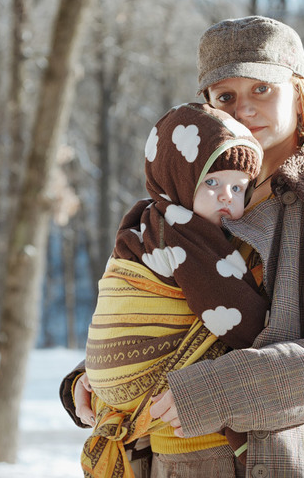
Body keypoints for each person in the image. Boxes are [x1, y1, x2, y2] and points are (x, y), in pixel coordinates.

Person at [63, 15, 304, 478]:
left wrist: (213, 393)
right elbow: (171, 313)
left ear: (297, 92)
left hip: (278, 462)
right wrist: (97, 378)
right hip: (166, 461)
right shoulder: (189, 193)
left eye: (261, 89)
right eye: (226, 96)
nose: (244, 110)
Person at [75, 102, 269, 477]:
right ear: (178, 179)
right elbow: (226, 307)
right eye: (211, 183)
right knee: (217, 352)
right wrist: (267, 331)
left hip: (110, 396)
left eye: (238, 187)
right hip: (143, 389)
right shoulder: (182, 231)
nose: (227, 196)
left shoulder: (147, 219)